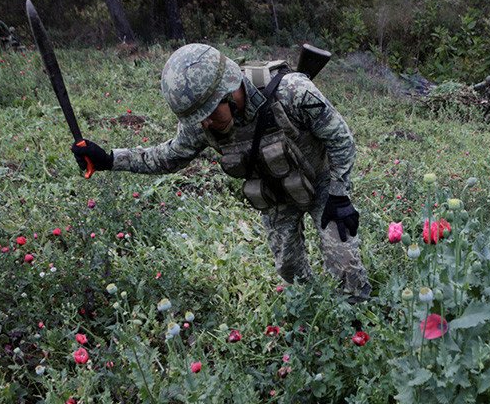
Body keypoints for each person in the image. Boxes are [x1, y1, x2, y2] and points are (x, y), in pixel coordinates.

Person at [71, 43, 371, 302]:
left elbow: (341, 139)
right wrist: (110, 159)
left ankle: (357, 315)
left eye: (210, 114)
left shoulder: (293, 91)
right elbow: (169, 157)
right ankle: (314, 307)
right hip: (275, 195)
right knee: (289, 268)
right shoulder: (203, 121)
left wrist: (339, 194)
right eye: (199, 118)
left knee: (343, 261)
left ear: (228, 92)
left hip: (322, 183)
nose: (205, 124)